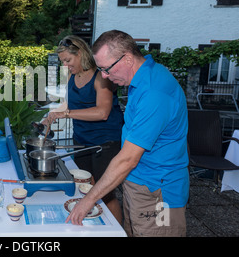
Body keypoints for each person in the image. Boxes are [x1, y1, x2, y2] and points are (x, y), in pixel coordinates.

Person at [66, 30, 189, 237]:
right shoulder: (142, 77)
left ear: (128, 59)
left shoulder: (154, 93)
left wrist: (88, 200)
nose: (104, 76)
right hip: (140, 185)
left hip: (158, 193)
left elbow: (127, 159)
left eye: (106, 69)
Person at [42, 35, 124, 224]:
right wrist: (53, 115)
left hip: (106, 142)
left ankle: (120, 232)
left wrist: (67, 114)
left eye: (68, 60)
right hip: (82, 140)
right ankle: (95, 227)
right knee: (84, 187)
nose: (65, 66)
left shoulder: (101, 77)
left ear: (80, 53)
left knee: (105, 194)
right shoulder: (72, 75)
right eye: (63, 61)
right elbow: (68, 105)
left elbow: (102, 112)